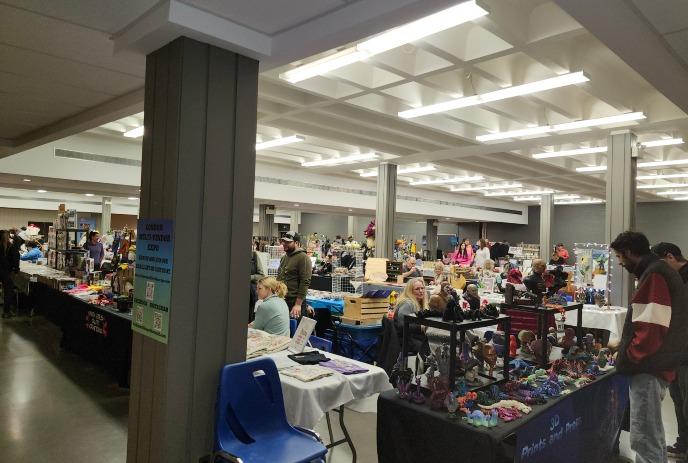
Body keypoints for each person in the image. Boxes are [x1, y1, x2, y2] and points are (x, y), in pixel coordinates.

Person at [610, 231, 688, 463]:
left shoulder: (654, 274)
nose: (619, 262)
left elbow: (651, 328)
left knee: (644, 436)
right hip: (659, 363)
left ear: (628, 252)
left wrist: (631, 356)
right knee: (651, 432)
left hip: (648, 367)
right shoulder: (660, 271)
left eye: (619, 256)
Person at [651, 242, 688, 459]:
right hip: (677, 352)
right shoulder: (675, 280)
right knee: (678, 398)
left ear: (670, 257)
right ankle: (683, 444)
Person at [277, 231, 312, 318]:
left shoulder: (303, 257)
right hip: (282, 299)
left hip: (294, 302)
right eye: (283, 241)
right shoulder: (284, 257)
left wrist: (298, 304)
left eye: (288, 242)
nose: (284, 243)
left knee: (295, 329)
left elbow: (305, 282)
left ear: (296, 243)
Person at [393, 277, 429, 355]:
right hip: (406, 340)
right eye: (417, 289)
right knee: (429, 350)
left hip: (413, 338)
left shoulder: (419, 303)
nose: (421, 291)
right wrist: (421, 327)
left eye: (422, 288)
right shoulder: (407, 303)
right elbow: (402, 325)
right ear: (410, 291)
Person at [0, 230, 18, 318]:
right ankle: (6, 312)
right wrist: (16, 270)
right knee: (8, 292)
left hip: (3, 271)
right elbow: (15, 259)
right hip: (5, 272)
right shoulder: (10, 246)